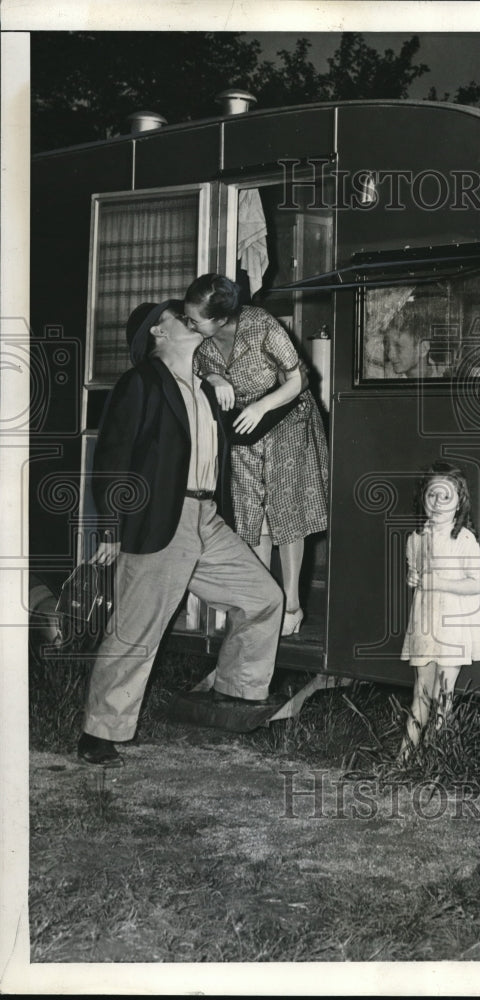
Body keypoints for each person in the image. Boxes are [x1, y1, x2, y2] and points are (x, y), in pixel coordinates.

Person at [77, 300, 284, 768]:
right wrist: (111, 528)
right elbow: (112, 459)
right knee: (136, 630)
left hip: (205, 517)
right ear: (157, 333)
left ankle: (235, 694)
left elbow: (245, 433)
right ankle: (98, 733)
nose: (189, 319)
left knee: (262, 597)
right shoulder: (141, 383)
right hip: (157, 518)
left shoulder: (208, 388)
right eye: (177, 316)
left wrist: (286, 390)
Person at [185, 274, 328, 636]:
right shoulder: (199, 340)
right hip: (244, 430)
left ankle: (291, 607)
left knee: (287, 511)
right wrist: (215, 380)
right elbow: (194, 370)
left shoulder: (261, 325)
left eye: (195, 319)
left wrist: (262, 406)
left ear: (220, 319)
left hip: (285, 418)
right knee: (252, 513)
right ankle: (263, 604)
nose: (189, 323)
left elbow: (300, 380)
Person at [398, 461, 480, 761]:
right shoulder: (415, 539)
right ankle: (405, 758)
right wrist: (414, 578)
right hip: (425, 624)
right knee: (421, 693)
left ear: (460, 501)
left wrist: (440, 581)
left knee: (443, 696)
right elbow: (416, 574)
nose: (437, 503)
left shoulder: (463, 540)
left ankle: (436, 761)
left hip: (454, 627)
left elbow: (477, 584)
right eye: (431, 495)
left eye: (446, 496)